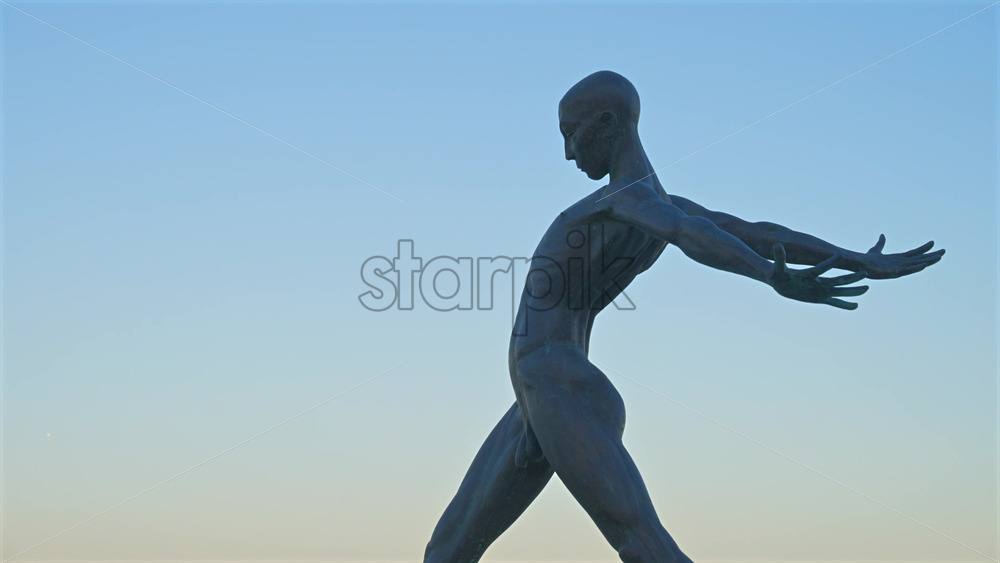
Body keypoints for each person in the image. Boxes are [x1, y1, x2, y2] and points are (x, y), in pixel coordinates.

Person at [423, 70, 944, 563]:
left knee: (645, 545)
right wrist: (858, 260)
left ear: (607, 124)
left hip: (556, 383)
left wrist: (768, 273)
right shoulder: (645, 202)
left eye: (570, 133)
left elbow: (700, 234)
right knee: (445, 553)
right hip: (537, 398)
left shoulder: (624, 201)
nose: (566, 152)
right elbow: (750, 231)